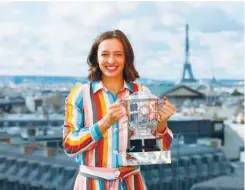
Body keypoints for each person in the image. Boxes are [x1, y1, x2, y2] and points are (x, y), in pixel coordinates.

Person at [63, 29, 176, 190]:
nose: (111, 60)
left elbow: (155, 151)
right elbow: (69, 145)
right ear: (96, 58)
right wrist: (105, 123)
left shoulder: (142, 93)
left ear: (126, 59)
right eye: (104, 54)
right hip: (92, 184)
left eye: (118, 54)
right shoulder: (80, 95)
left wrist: (161, 123)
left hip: (131, 183)